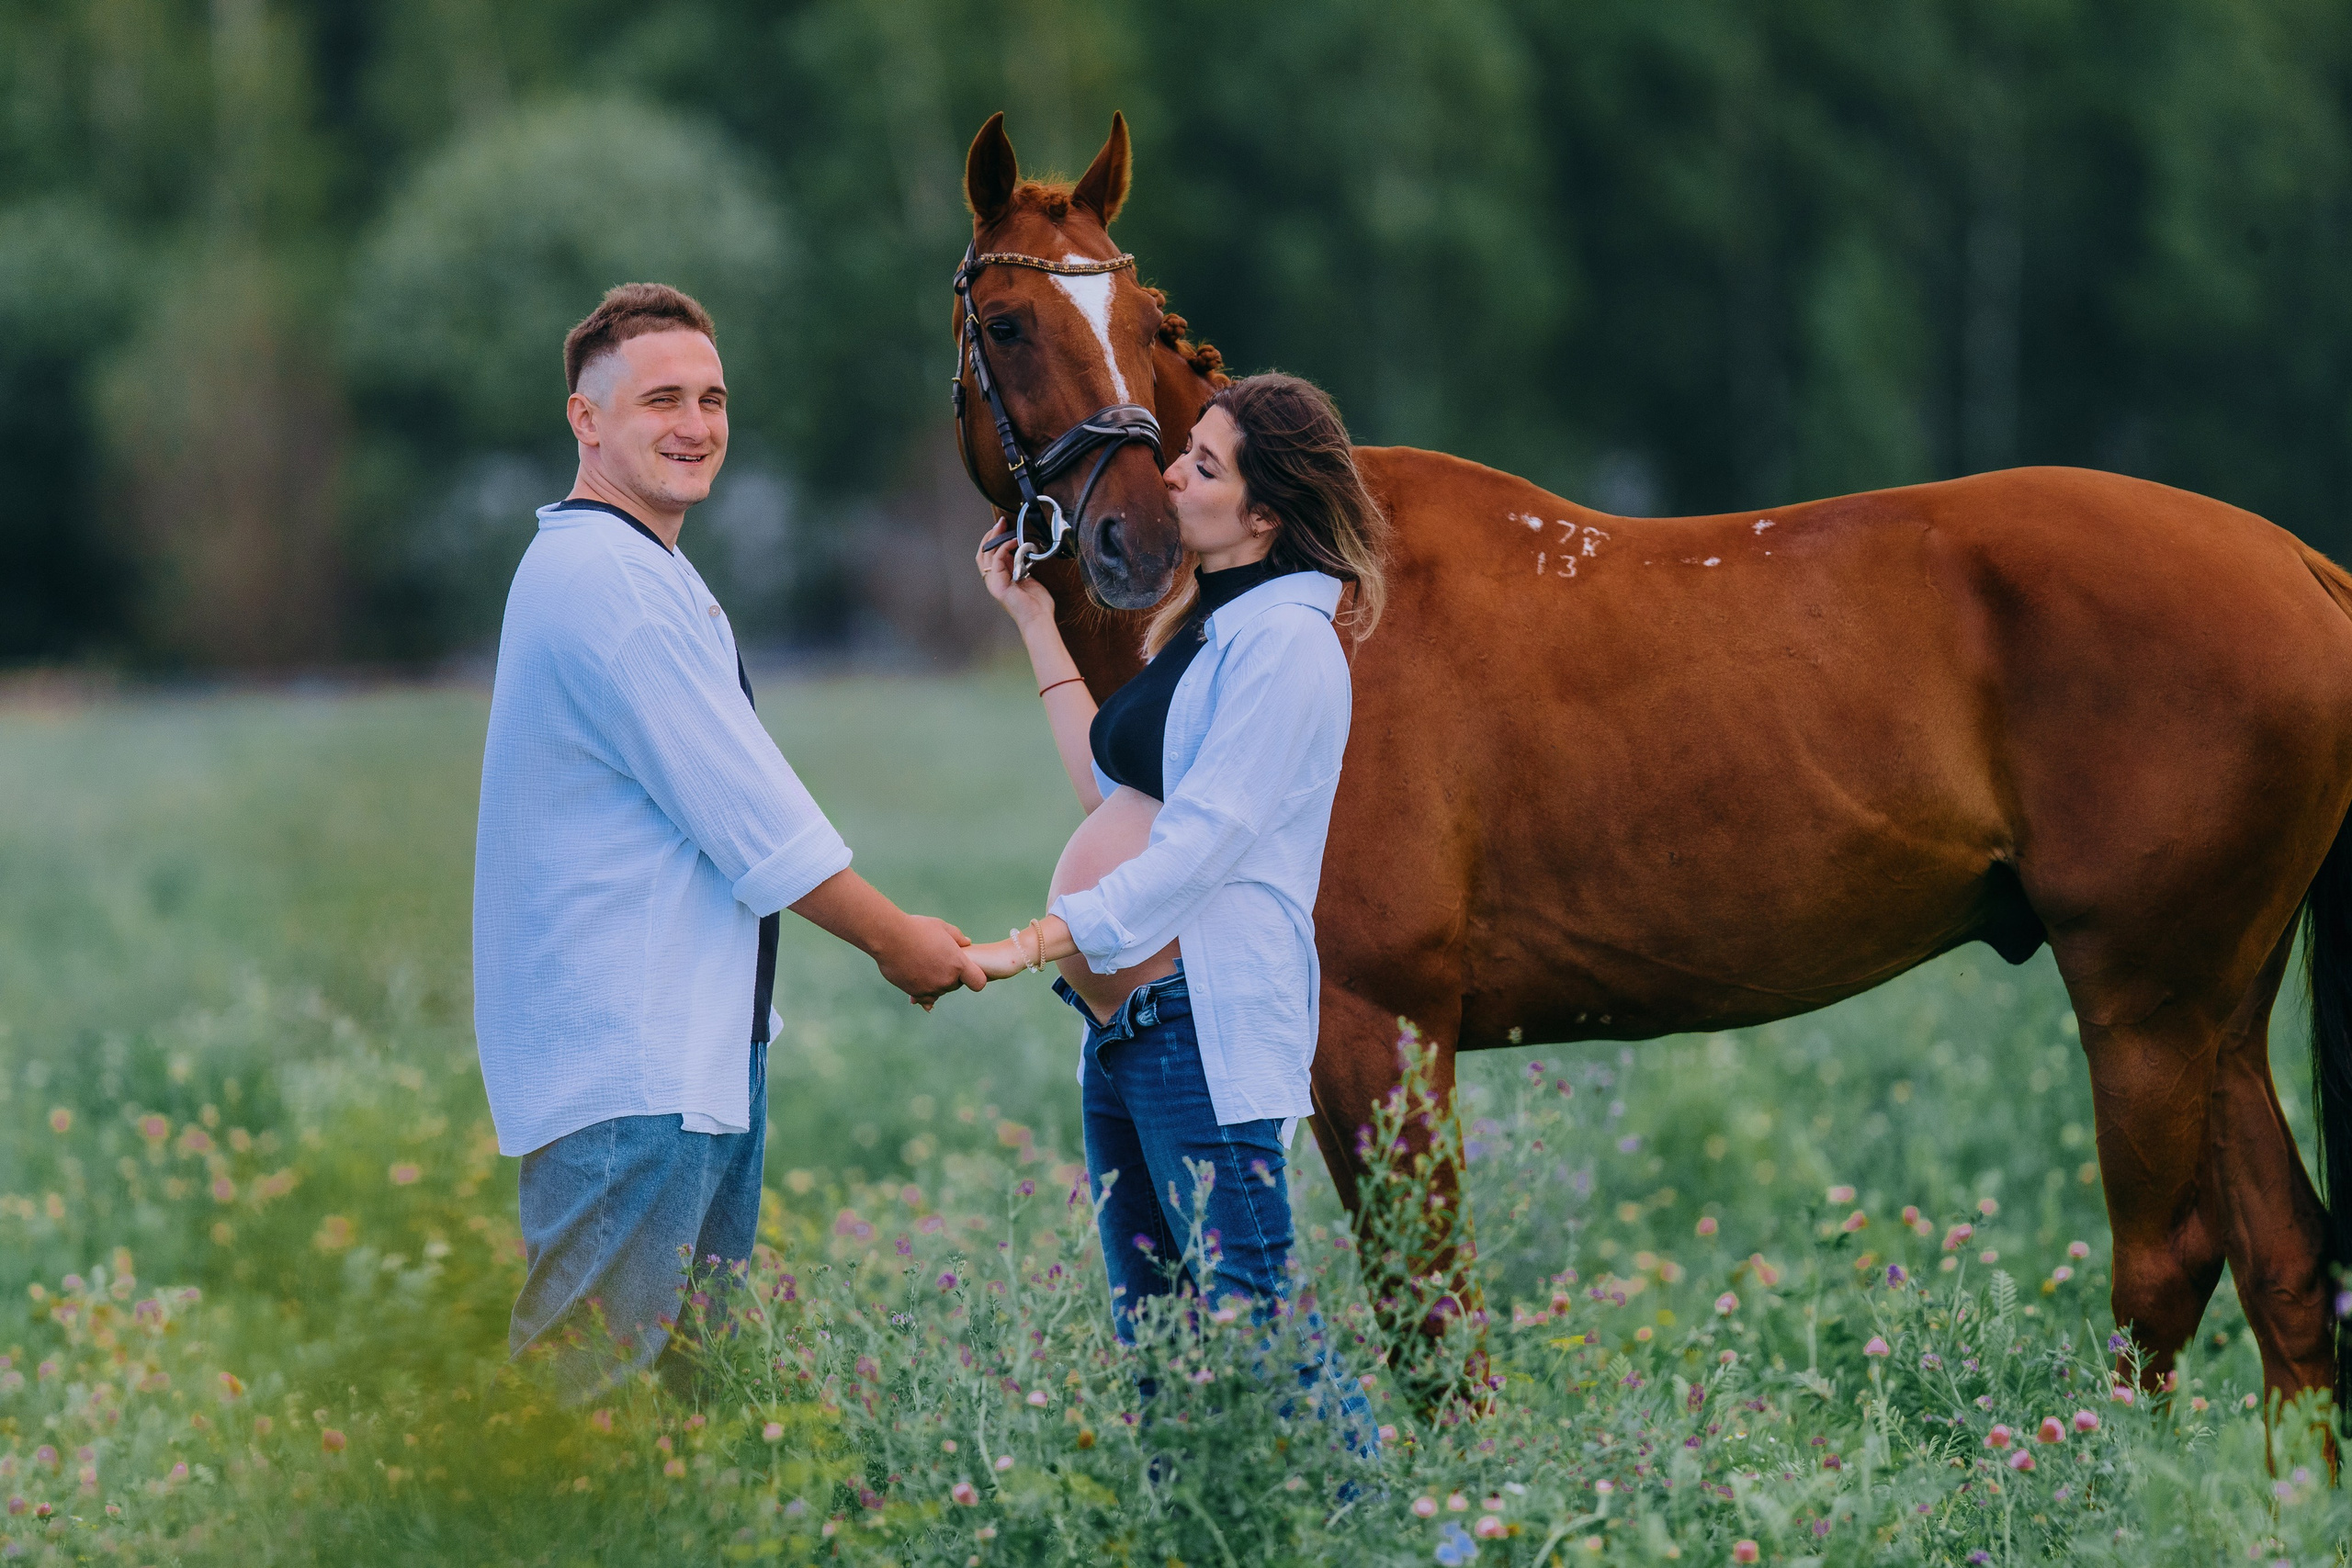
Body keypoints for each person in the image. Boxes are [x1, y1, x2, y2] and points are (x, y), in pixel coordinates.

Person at [474, 282, 985, 1400]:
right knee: (578, 1403)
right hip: (631, 1066)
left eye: (712, 399)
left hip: (691, 1057)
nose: (696, 426)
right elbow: (752, 815)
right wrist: (899, 941)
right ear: (585, 418)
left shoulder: (642, 567)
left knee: (689, 1405)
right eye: (662, 399)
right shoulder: (604, 578)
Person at [967, 374, 1386, 1425]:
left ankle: (1409, 1540)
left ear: (1264, 515)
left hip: (1197, 1019)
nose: (1169, 473)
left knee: (1255, 1321)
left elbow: (1205, 842)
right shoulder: (1207, 626)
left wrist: (1040, 940)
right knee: (1159, 1336)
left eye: (1203, 464)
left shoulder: (1285, 643)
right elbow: (1115, 802)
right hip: (1127, 1032)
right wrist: (1032, 620)